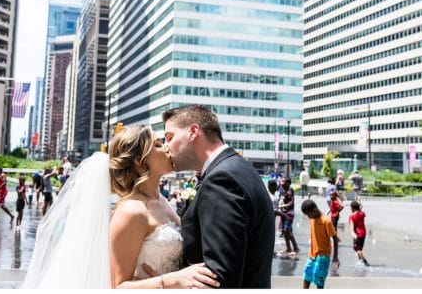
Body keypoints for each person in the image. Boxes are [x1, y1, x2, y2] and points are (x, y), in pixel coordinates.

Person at [22, 126, 219, 288]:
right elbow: (118, 286)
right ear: (139, 161)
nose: (167, 148)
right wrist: (171, 280)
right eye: (158, 145)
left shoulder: (162, 201)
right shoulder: (131, 210)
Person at [161, 104, 275, 288]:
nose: (166, 147)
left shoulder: (221, 181)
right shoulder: (239, 167)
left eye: (169, 137)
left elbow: (219, 278)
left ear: (193, 131)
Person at [302, 199, 338, 289]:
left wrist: (335, 256)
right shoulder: (312, 218)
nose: (308, 217)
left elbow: (335, 238)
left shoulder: (326, 221)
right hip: (312, 255)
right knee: (307, 275)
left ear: (314, 210)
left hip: (323, 256)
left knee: (320, 280)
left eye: (308, 214)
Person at [278, 177, 300, 259]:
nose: (281, 183)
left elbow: (291, 203)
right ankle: (288, 248)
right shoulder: (285, 191)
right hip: (285, 213)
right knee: (284, 231)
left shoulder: (290, 191)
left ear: (287, 183)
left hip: (289, 214)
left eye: (283, 181)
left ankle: (296, 248)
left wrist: (281, 206)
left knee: (288, 230)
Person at [348, 200, 369, 266]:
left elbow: (352, 228)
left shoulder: (352, 216)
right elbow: (360, 207)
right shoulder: (362, 213)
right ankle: (361, 262)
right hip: (364, 233)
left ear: (352, 208)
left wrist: (353, 234)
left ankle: (366, 262)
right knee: (359, 249)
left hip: (357, 234)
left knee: (357, 249)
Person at [327, 190, 344, 267]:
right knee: (333, 228)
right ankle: (336, 238)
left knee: (334, 228)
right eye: (330, 195)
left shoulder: (335, 201)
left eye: (332, 195)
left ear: (335, 195)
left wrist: (337, 212)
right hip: (333, 216)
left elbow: (341, 206)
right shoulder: (332, 200)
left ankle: (335, 239)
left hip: (335, 216)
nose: (331, 196)